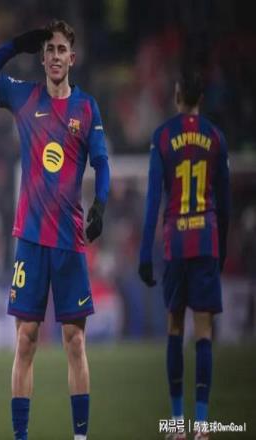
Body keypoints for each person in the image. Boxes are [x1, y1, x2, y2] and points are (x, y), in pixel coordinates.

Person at [0, 19, 110, 440]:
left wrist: (101, 204)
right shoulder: (24, 96)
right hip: (31, 240)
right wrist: (17, 44)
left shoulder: (86, 108)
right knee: (26, 340)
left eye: (61, 49)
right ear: (43, 57)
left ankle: (80, 437)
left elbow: (102, 163)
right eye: (49, 49)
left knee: (75, 341)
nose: (54, 56)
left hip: (69, 241)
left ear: (73, 58)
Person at [138, 69, 230, 440]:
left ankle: (177, 425)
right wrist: (222, 248)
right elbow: (225, 203)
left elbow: (152, 202)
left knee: (175, 328)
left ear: (177, 96)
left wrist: (145, 254)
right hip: (206, 240)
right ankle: (202, 426)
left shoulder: (162, 137)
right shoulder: (216, 138)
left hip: (175, 243)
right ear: (201, 99)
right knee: (204, 332)